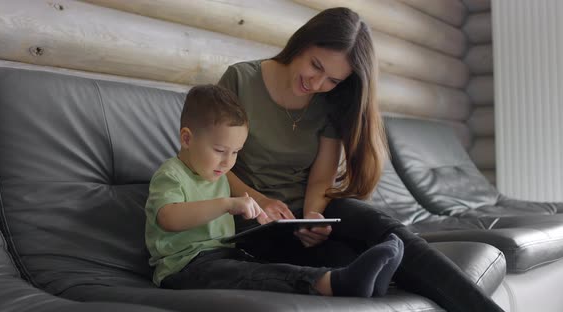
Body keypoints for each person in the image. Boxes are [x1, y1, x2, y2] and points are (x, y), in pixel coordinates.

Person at [217, 7, 504, 312]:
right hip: (249, 217)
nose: (316, 84)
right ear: (303, 42)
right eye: (316, 66)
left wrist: (314, 217)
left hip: (303, 214)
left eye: (333, 80)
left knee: (385, 230)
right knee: (347, 259)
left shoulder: (329, 102)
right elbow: (210, 167)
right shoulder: (241, 80)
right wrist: (260, 201)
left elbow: (320, 178)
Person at [144, 84, 404, 298]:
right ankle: (339, 283)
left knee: (269, 269)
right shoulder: (171, 175)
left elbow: (249, 198)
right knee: (255, 276)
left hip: (227, 255)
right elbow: (169, 218)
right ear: (187, 139)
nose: (227, 162)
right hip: (183, 269)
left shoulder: (218, 172)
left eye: (235, 153)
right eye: (220, 151)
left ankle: (367, 280)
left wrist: (265, 211)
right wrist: (226, 204)